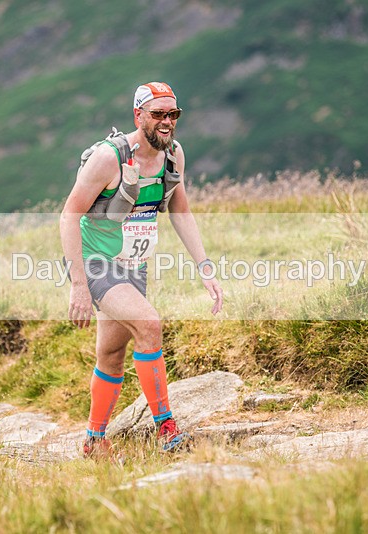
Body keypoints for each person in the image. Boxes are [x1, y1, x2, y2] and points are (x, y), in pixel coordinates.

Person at [60, 82, 223, 457]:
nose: (167, 123)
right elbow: (69, 216)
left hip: (135, 267)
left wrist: (205, 267)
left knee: (112, 354)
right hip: (97, 264)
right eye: (158, 115)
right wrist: (78, 285)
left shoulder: (174, 156)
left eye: (173, 115)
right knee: (149, 323)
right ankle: (167, 428)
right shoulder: (108, 158)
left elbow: (180, 210)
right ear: (138, 116)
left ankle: (94, 440)